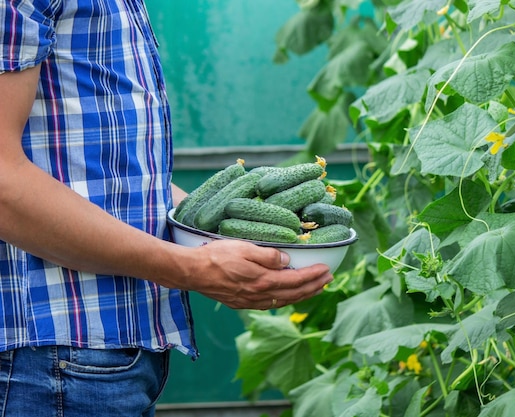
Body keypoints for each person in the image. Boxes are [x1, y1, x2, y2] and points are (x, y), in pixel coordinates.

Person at [0, 1, 333, 416]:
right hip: (48, 356)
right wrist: (193, 268)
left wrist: (228, 230)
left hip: (105, 352)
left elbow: (116, 176)